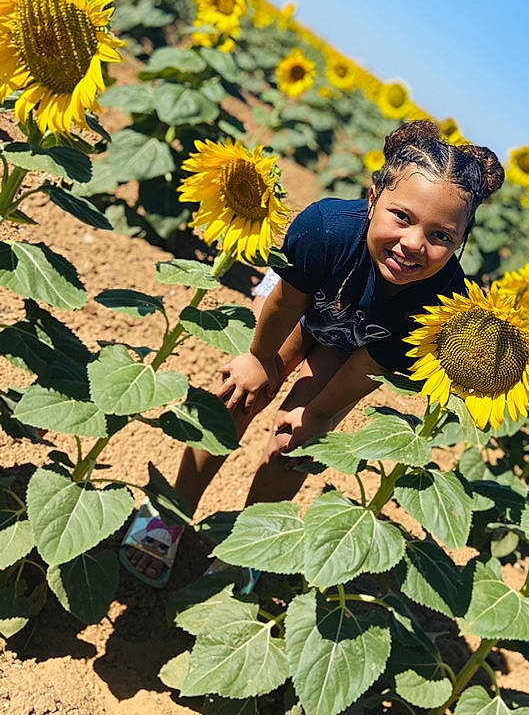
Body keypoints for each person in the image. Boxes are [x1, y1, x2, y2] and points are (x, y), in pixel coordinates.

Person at [119, 118, 505, 586]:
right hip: (306, 301)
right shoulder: (324, 229)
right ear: (373, 197)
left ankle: (252, 548)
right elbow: (286, 303)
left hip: (355, 341)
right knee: (238, 394)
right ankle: (170, 509)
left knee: (295, 444)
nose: (413, 244)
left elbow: (367, 368)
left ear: (460, 242)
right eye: (401, 216)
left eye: (441, 236)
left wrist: (318, 417)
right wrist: (260, 360)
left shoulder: (440, 307)